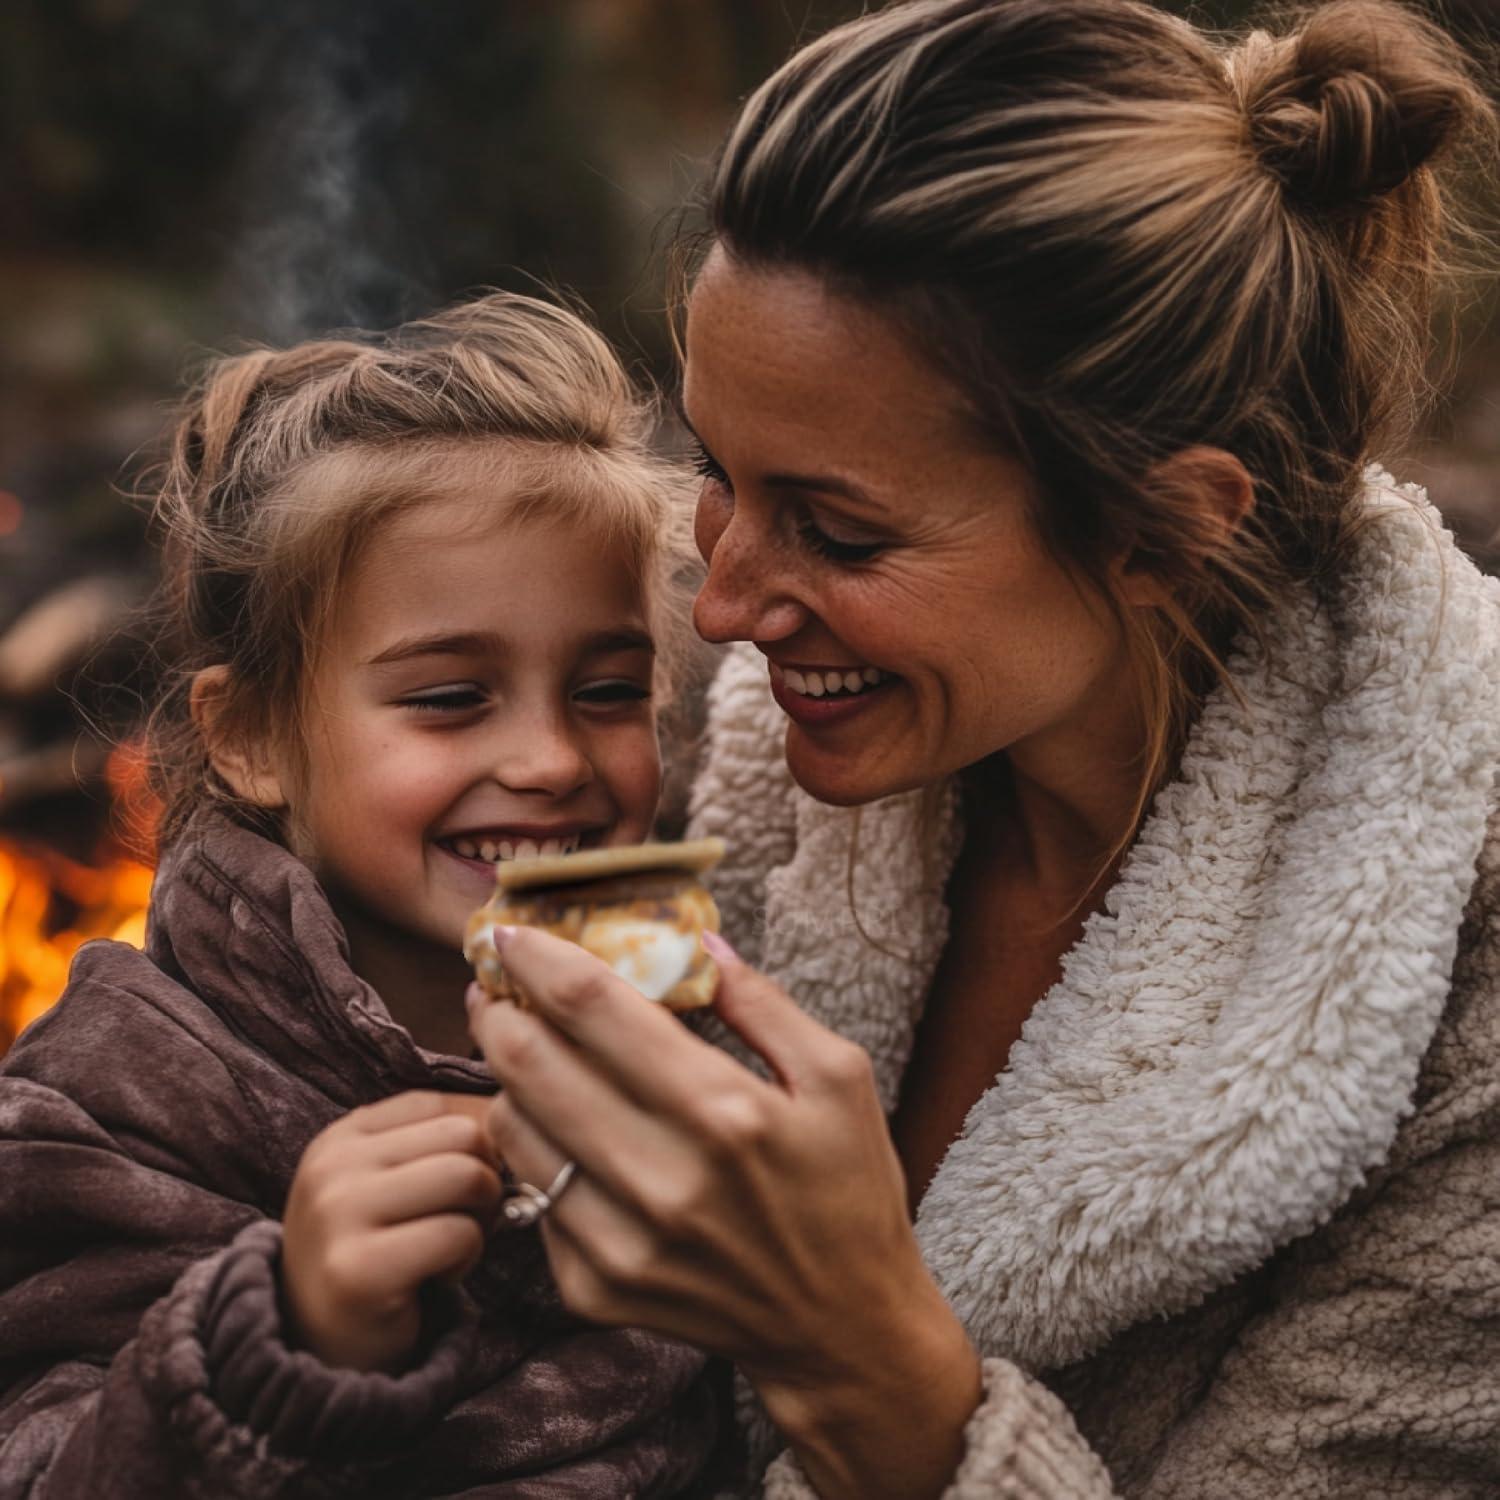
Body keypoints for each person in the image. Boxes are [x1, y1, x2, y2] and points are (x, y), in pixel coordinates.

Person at [465, 2, 1500, 1496]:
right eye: (715, 472)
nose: (729, 602)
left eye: (839, 528)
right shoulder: (726, 774)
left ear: (1168, 528)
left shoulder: (1458, 994)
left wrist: (870, 1369)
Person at [0, 293, 728, 1496]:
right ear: (250, 740)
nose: (552, 760)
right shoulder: (128, 1096)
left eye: (606, 690)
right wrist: (284, 1337)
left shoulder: (684, 1020)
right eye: (450, 698)